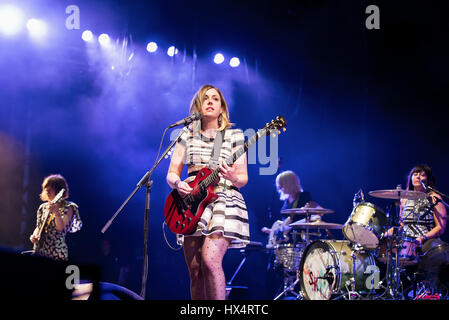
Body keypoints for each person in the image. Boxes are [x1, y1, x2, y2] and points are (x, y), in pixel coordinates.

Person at [166, 84, 249, 300]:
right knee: (195, 271)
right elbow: (172, 173)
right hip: (192, 201)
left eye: (215, 99)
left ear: (222, 108)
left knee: (210, 261)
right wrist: (178, 184)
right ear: (198, 106)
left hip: (222, 197)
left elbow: (242, 178)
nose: (210, 102)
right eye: (205, 98)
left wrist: (231, 176)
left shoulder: (234, 135)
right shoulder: (186, 136)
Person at [29, 174, 82, 261]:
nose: (47, 191)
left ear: (59, 191)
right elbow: (38, 227)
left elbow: (60, 227)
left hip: (56, 254)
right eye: (46, 189)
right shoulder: (42, 207)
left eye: (50, 189)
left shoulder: (69, 207)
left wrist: (56, 213)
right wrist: (34, 236)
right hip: (39, 252)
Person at [400, 164, 446, 245]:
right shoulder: (404, 199)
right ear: (411, 178)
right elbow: (402, 223)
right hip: (406, 241)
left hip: (427, 242)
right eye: (415, 174)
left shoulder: (434, 198)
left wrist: (423, 238)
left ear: (427, 179)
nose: (418, 177)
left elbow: (440, 227)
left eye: (422, 175)